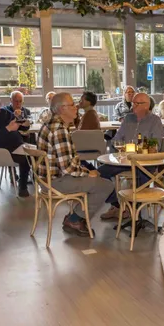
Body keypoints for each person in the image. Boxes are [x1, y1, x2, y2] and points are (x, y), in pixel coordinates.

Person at [36, 93, 114, 236]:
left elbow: (65, 162)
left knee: (97, 178)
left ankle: (75, 217)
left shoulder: (50, 125)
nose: (76, 107)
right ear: (62, 109)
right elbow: (67, 168)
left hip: (46, 179)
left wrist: (83, 170)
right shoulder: (59, 130)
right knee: (106, 185)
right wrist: (87, 173)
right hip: (56, 181)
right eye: (72, 104)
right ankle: (75, 219)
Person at [99, 92, 164, 220]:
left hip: (144, 162)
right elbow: (116, 140)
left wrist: (137, 147)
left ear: (147, 105)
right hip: (124, 160)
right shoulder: (128, 119)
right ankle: (117, 205)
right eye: (133, 102)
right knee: (100, 173)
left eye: (136, 103)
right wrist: (119, 148)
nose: (132, 105)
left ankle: (136, 211)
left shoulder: (155, 121)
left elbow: (156, 144)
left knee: (142, 176)